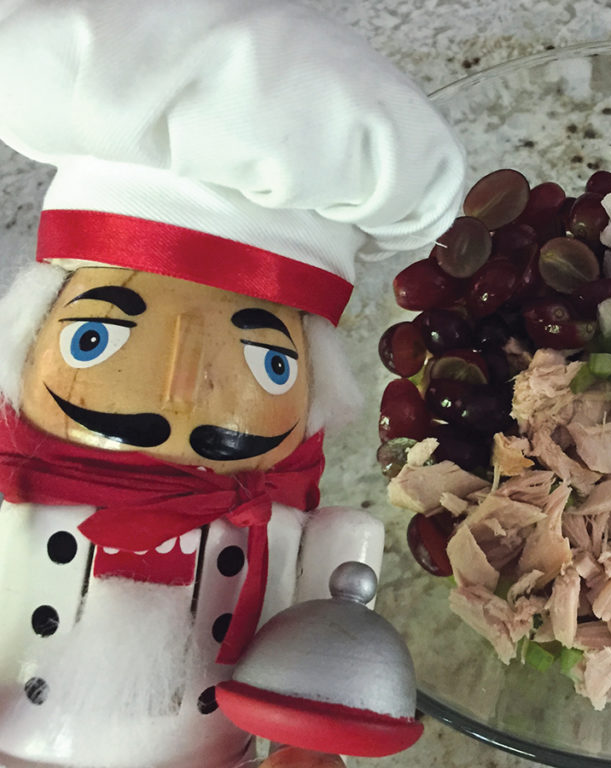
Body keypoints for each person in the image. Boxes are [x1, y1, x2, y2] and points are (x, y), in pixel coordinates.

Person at [0, 1, 465, 766]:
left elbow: (327, 663)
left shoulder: (296, 532)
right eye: (97, 338)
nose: (181, 387)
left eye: (268, 363)